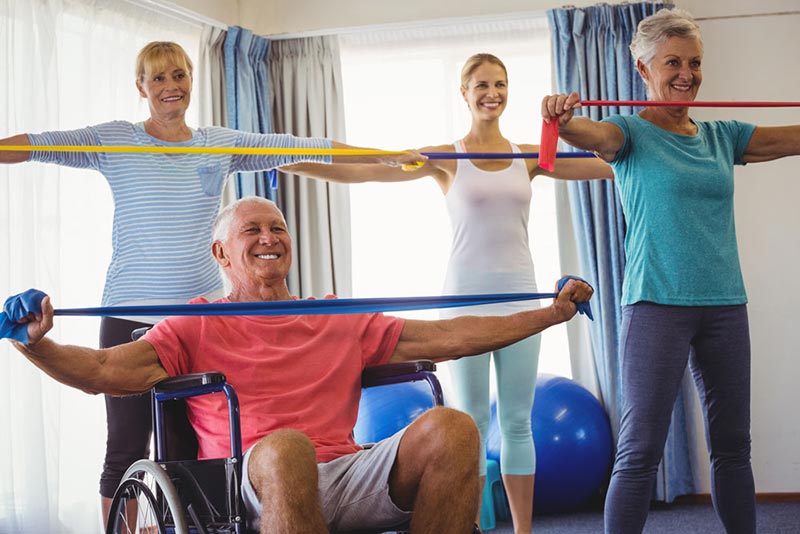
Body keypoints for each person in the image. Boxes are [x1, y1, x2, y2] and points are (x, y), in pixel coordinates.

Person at [0, 40, 422, 524]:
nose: (170, 86)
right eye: (158, 78)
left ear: (190, 82)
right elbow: (39, 144)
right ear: (141, 87)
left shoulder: (216, 144)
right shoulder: (116, 140)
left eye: (178, 75)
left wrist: (383, 156)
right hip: (127, 313)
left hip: (195, 324)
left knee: (187, 453)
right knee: (124, 453)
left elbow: (304, 148)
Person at [8, 196, 594, 534]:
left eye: (277, 228)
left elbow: (450, 334)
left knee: (455, 428)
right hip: (253, 479)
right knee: (287, 447)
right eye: (252, 230)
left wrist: (549, 314)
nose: (269, 238)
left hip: (347, 472)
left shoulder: (337, 315)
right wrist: (35, 344)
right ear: (221, 253)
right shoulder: (194, 322)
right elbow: (106, 372)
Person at [280, 52, 614, 532]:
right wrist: (289, 162)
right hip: (464, 300)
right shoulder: (445, 157)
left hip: (521, 299)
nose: (492, 93)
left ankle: (522, 531)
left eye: (500, 83)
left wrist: (640, 141)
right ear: (464, 92)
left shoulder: (529, 155)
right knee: (471, 420)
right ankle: (473, 526)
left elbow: (608, 166)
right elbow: (366, 172)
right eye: (481, 84)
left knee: (518, 421)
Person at [540, 8, 800, 534]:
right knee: (639, 452)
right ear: (643, 70)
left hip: (725, 305)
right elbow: (588, 135)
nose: (687, 74)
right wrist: (563, 121)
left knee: (732, 446)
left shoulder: (723, 136)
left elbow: (793, 137)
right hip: (656, 305)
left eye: (695, 62)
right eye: (673, 62)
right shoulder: (629, 135)